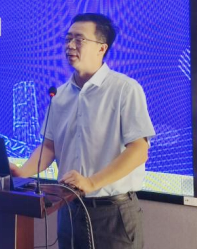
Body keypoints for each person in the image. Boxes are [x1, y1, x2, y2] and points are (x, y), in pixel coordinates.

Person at [10, 13, 155, 249]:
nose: (70, 45)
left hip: (113, 213)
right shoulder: (59, 95)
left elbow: (139, 150)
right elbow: (49, 147)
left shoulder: (125, 89)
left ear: (101, 48)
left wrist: (91, 182)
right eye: (68, 39)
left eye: (79, 39)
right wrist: (22, 173)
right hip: (70, 209)